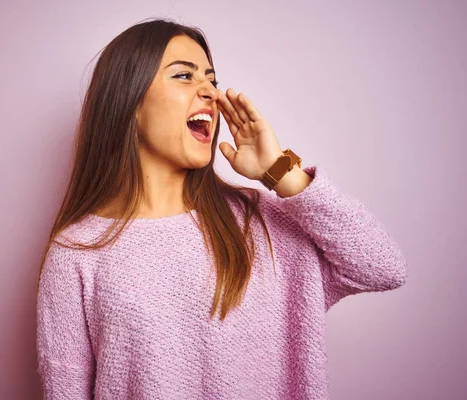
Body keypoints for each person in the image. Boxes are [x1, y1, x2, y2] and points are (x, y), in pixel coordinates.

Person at [35, 17, 408, 400]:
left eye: (211, 80)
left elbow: (382, 267)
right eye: (184, 76)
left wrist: (280, 170)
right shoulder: (77, 253)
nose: (211, 93)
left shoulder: (260, 223)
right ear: (129, 102)